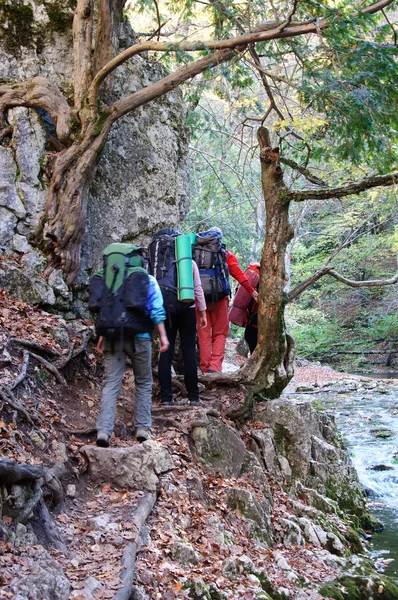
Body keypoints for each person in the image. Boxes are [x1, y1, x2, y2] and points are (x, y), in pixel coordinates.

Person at [95, 274, 169, 447]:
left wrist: (101, 335)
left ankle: (104, 431)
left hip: (113, 337)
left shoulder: (112, 277)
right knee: (143, 382)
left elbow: (103, 309)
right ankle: (142, 429)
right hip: (140, 337)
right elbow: (156, 309)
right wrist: (163, 336)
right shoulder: (147, 279)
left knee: (111, 384)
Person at [149, 228, 207, 406]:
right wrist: (203, 312)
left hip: (164, 307)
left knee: (165, 351)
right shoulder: (186, 261)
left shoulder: (156, 262)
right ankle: (193, 396)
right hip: (187, 308)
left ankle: (167, 398)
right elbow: (197, 288)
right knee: (189, 351)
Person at [195, 227, 258, 373]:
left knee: (204, 335)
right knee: (220, 333)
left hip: (199, 300)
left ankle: (204, 368)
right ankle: (215, 368)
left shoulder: (195, 253)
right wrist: (253, 292)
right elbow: (239, 275)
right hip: (220, 299)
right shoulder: (224, 254)